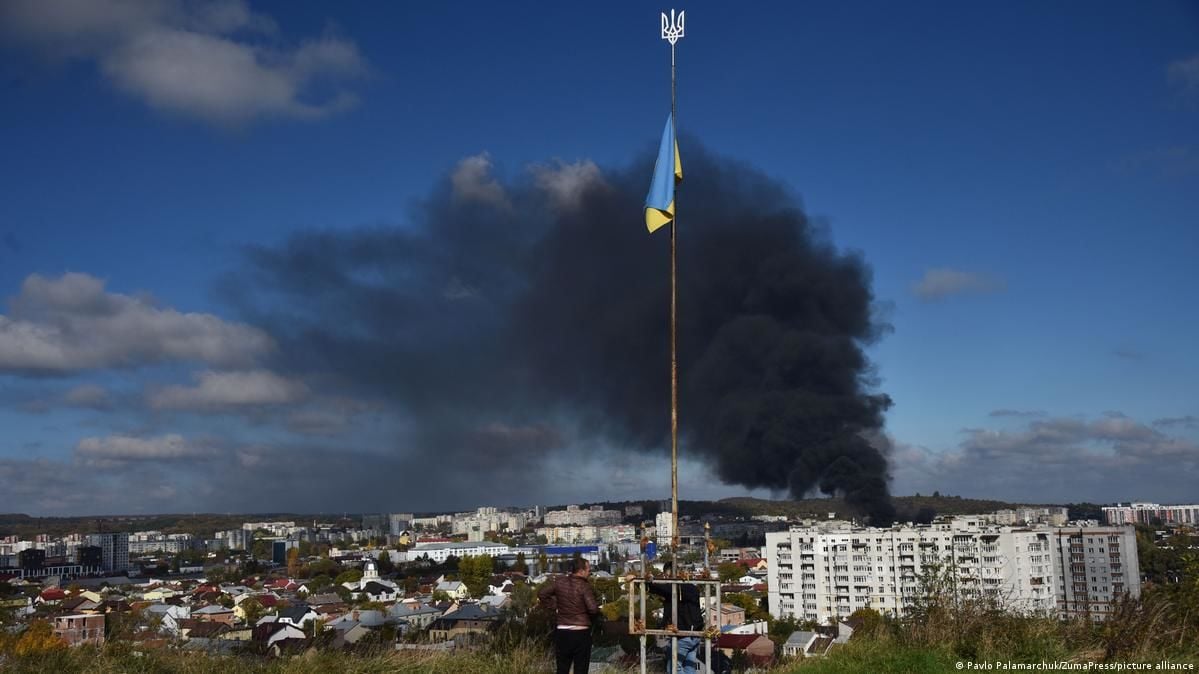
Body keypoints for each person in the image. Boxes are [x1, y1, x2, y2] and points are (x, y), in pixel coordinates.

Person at [538, 557, 600, 674]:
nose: (589, 573)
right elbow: (593, 609)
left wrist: (555, 606)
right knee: (580, 669)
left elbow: (542, 593)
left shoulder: (560, 582)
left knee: (562, 669)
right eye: (588, 570)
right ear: (581, 571)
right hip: (581, 633)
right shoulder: (584, 586)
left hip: (562, 632)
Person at [647, 562, 705, 674]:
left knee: (674, 668)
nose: (667, 579)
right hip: (694, 635)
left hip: (685, 635)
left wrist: (650, 581)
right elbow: (660, 590)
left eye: (668, 576)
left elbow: (665, 589)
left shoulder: (685, 588)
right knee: (689, 668)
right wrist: (646, 584)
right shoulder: (688, 588)